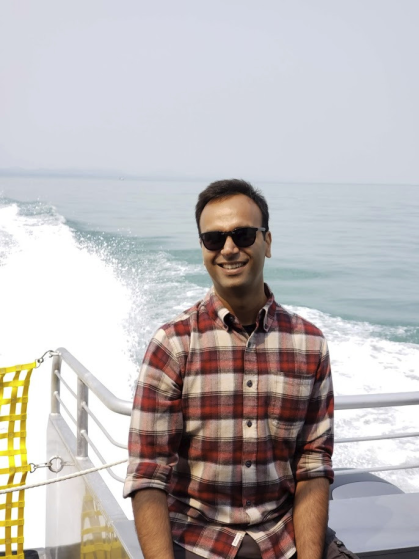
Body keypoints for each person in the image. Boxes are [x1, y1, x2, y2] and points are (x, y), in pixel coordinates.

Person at [124, 179, 356, 559]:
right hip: (197, 540)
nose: (229, 249)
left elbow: (313, 465)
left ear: (267, 241)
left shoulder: (309, 344)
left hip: (286, 537)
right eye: (214, 239)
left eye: (243, 235)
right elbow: (148, 474)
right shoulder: (173, 345)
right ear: (202, 249)